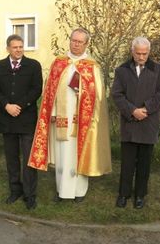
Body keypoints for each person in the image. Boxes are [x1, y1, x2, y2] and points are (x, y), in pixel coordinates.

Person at [28, 28, 111, 203]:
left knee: (77, 154)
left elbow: (97, 95)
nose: (76, 44)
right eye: (73, 40)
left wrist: (81, 89)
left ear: (86, 44)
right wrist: (51, 111)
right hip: (60, 117)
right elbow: (50, 90)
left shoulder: (91, 67)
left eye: (80, 42)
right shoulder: (59, 63)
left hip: (82, 120)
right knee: (62, 155)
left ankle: (79, 192)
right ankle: (61, 191)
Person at [111, 37, 160, 209]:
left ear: (149, 52)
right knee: (127, 163)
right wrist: (132, 111)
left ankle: (140, 196)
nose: (141, 57)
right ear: (132, 51)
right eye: (138, 53)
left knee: (144, 163)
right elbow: (117, 94)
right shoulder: (122, 70)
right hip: (129, 123)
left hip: (148, 123)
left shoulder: (159, 70)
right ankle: (123, 194)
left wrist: (145, 109)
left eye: (145, 53)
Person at [0, 35, 42, 210]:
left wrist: (19, 106)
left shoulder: (33, 66)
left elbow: (36, 89)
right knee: (11, 158)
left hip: (26, 119)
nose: (19, 50)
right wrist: (6, 106)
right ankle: (15, 190)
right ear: (8, 49)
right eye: (15, 47)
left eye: (21, 47)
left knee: (28, 159)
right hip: (7, 120)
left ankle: (30, 194)